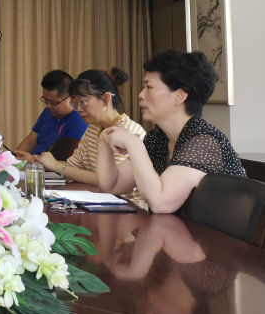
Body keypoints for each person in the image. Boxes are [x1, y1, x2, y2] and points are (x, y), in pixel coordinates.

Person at [97, 50, 246, 213]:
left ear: (179, 97)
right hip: (175, 228)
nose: (141, 94)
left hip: (213, 230)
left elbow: (160, 203)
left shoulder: (204, 141)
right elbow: (112, 185)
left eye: (149, 87)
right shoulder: (158, 138)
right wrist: (105, 139)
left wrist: (133, 144)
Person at [38, 67, 146, 206]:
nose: (79, 109)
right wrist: (50, 164)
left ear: (106, 99)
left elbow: (111, 182)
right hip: (97, 202)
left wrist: (57, 166)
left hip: (127, 206)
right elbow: (72, 166)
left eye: (83, 102)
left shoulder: (128, 131)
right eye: (75, 103)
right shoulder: (93, 129)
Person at [13, 70, 87, 162]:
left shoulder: (79, 121)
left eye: (53, 103)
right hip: (32, 165)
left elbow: (63, 162)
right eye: (46, 100)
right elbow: (30, 142)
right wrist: (14, 159)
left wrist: (33, 160)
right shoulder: (49, 112)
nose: (48, 106)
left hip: (48, 168)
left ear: (71, 98)